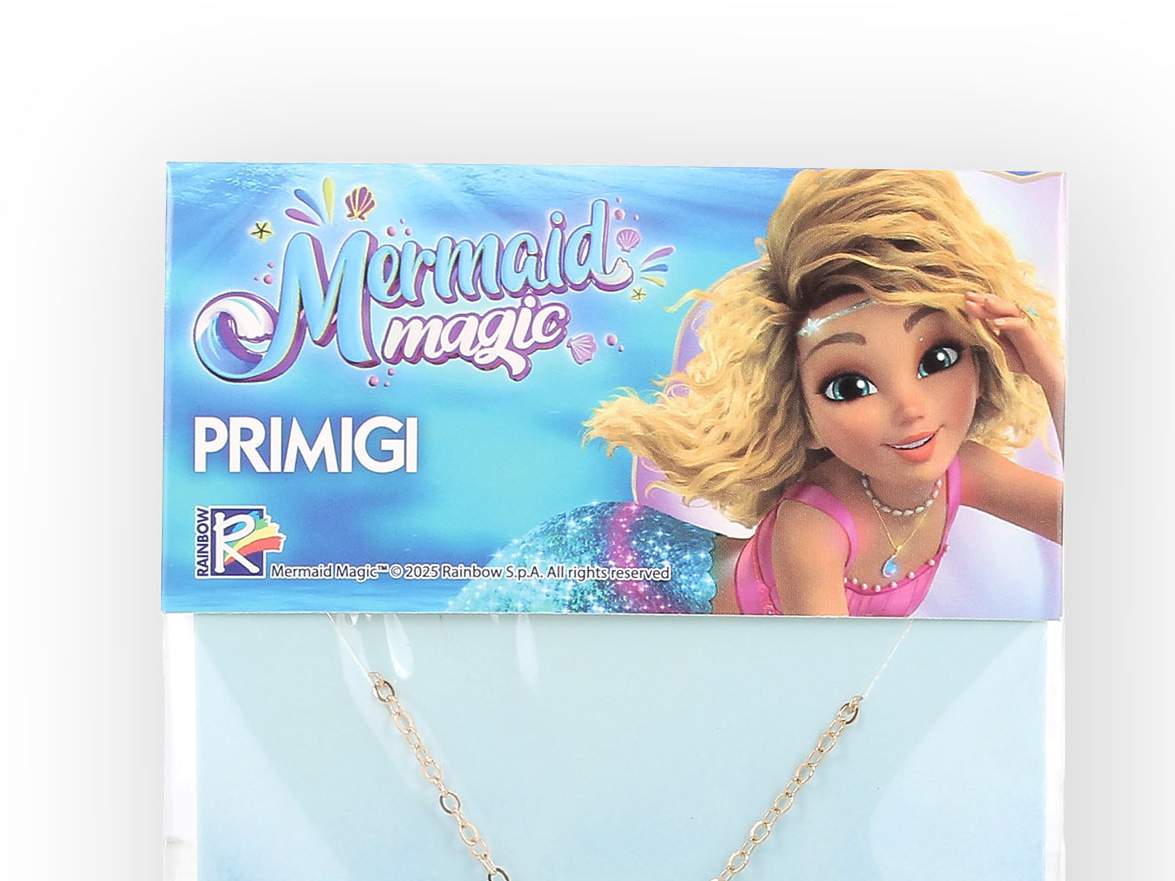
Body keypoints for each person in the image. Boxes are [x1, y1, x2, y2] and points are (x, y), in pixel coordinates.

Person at [452, 168, 1064, 616]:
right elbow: (826, 686)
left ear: (981, 356)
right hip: (603, 574)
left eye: (938, 358)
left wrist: (1051, 376)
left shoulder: (965, 472)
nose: (910, 407)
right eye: (850, 385)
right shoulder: (813, 527)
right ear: (801, 410)